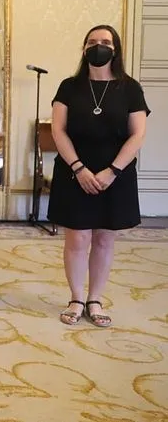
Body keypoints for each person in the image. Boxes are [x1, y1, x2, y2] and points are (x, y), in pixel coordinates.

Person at [49, 24, 149, 328]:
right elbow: (58, 130)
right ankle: (76, 297)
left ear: (115, 48)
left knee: (105, 238)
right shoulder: (69, 86)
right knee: (77, 238)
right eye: (92, 41)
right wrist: (78, 168)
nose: (98, 46)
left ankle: (95, 298)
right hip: (74, 171)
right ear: (84, 49)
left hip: (115, 174)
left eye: (105, 41)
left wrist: (112, 171)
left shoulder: (130, 88)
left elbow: (138, 134)